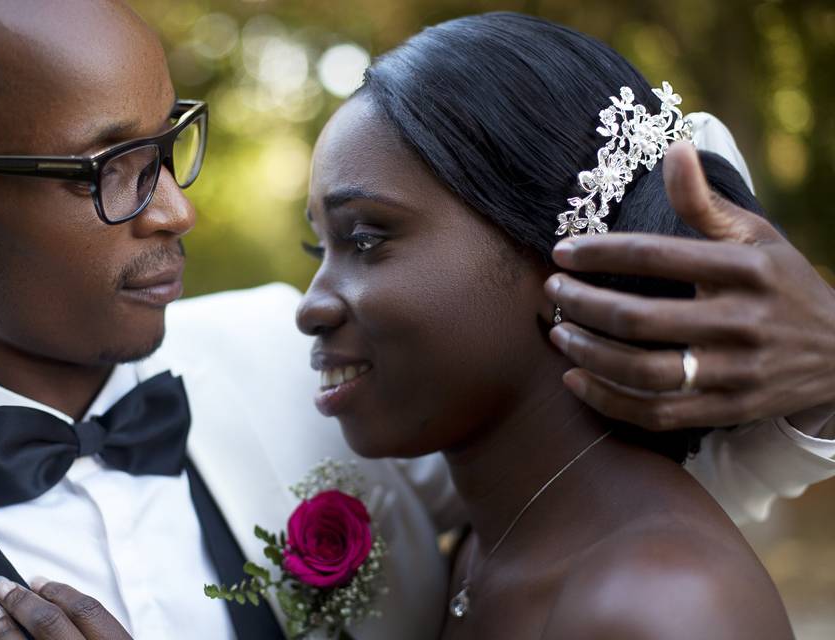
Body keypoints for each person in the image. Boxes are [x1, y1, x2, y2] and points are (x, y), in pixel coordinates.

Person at [0, 3, 831, 640]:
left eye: (170, 148)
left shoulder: (304, 374)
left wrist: (825, 369)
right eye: (107, 169)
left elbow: (656, 456)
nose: (175, 210)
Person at [293, 12, 804, 639]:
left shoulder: (661, 606)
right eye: (319, 251)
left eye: (366, 239)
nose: (310, 307)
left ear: (559, 256)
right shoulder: (486, 548)